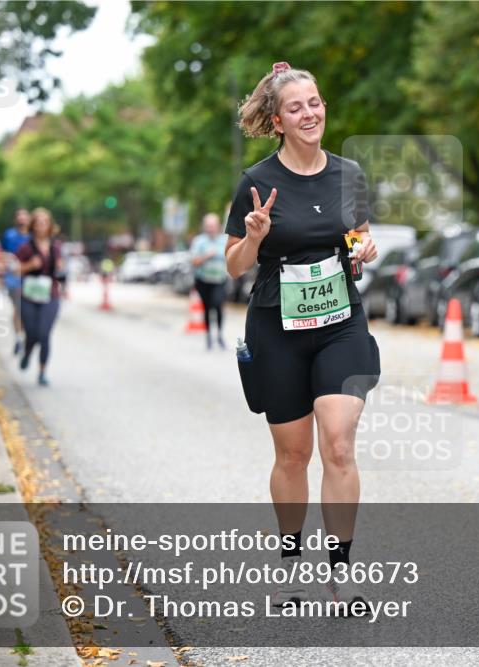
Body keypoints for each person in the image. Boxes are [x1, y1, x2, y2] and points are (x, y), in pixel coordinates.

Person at [225, 62, 381, 609]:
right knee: (293, 456)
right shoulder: (256, 182)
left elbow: (358, 236)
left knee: (338, 444)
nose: (310, 113)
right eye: (296, 107)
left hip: (340, 321)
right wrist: (253, 237)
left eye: (314, 102)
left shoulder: (349, 174)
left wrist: (364, 248)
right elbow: (233, 267)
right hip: (278, 327)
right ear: (277, 120)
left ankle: (342, 572)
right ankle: (290, 561)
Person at [15, 207, 65, 387]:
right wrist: (30, 265)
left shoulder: (55, 247)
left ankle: (42, 372)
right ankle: (27, 353)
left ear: (50, 225)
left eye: (45, 222)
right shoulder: (26, 247)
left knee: (44, 334)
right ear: (33, 226)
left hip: (50, 295)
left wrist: (61, 269)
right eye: (38, 223)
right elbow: (16, 269)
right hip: (29, 296)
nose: (42, 226)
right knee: (32, 333)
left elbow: (60, 269)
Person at [190, 212, 229, 349]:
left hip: (220, 279)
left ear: (218, 226)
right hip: (203, 280)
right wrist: (207, 255)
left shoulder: (225, 240)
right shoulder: (199, 241)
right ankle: (208, 337)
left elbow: (231, 257)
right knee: (207, 308)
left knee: (218, 305)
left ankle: (219, 335)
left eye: (213, 226)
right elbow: (194, 261)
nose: (211, 228)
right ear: (204, 227)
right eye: (208, 226)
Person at [2, 209, 32, 354]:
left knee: (29, 311)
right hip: (13, 278)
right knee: (18, 310)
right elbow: (3, 255)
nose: (22, 218)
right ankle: (19, 339)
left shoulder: (33, 236)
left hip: (30, 278)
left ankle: (27, 336)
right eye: (19, 215)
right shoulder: (9, 235)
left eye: (24, 215)